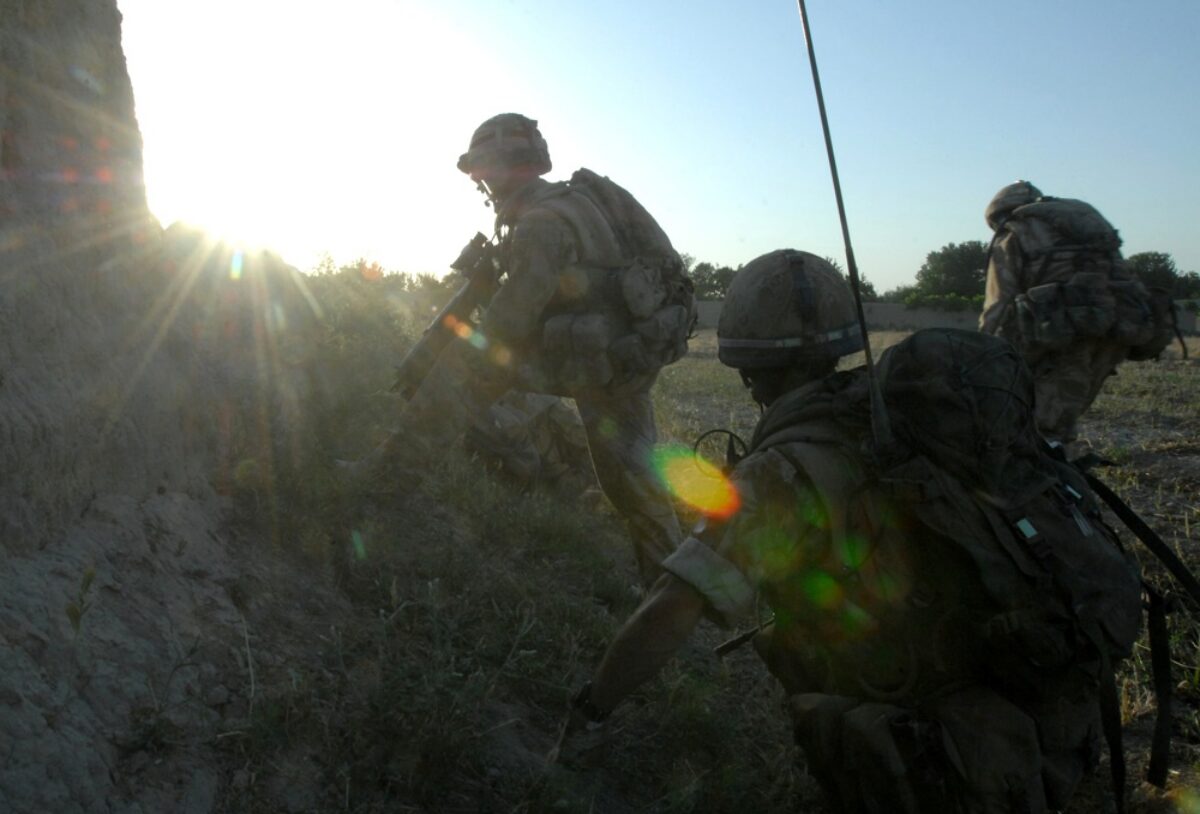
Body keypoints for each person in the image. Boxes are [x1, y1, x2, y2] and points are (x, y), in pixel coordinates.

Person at [554, 249, 1142, 813]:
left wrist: (590, 712)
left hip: (957, 765)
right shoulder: (898, 418)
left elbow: (672, 605)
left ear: (746, 372)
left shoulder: (782, 471)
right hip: (1048, 730)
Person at [363, 113, 693, 587]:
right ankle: (671, 588)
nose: (479, 181)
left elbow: (508, 323)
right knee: (632, 479)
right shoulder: (574, 200)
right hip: (624, 358)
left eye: (481, 170)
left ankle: (385, 481)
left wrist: (455, 354)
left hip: (587, 361)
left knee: (461, 368)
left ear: (496, 168)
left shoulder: (540, 223)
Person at [978, 181, 1168, 443]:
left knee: (1043, 430)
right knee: (1063, 418)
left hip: (1064, 337)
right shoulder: (1086, 226)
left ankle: (1053, 478)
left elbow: (998, 304)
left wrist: (985, 356)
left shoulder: (1014, 231)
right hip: (1119, 329)